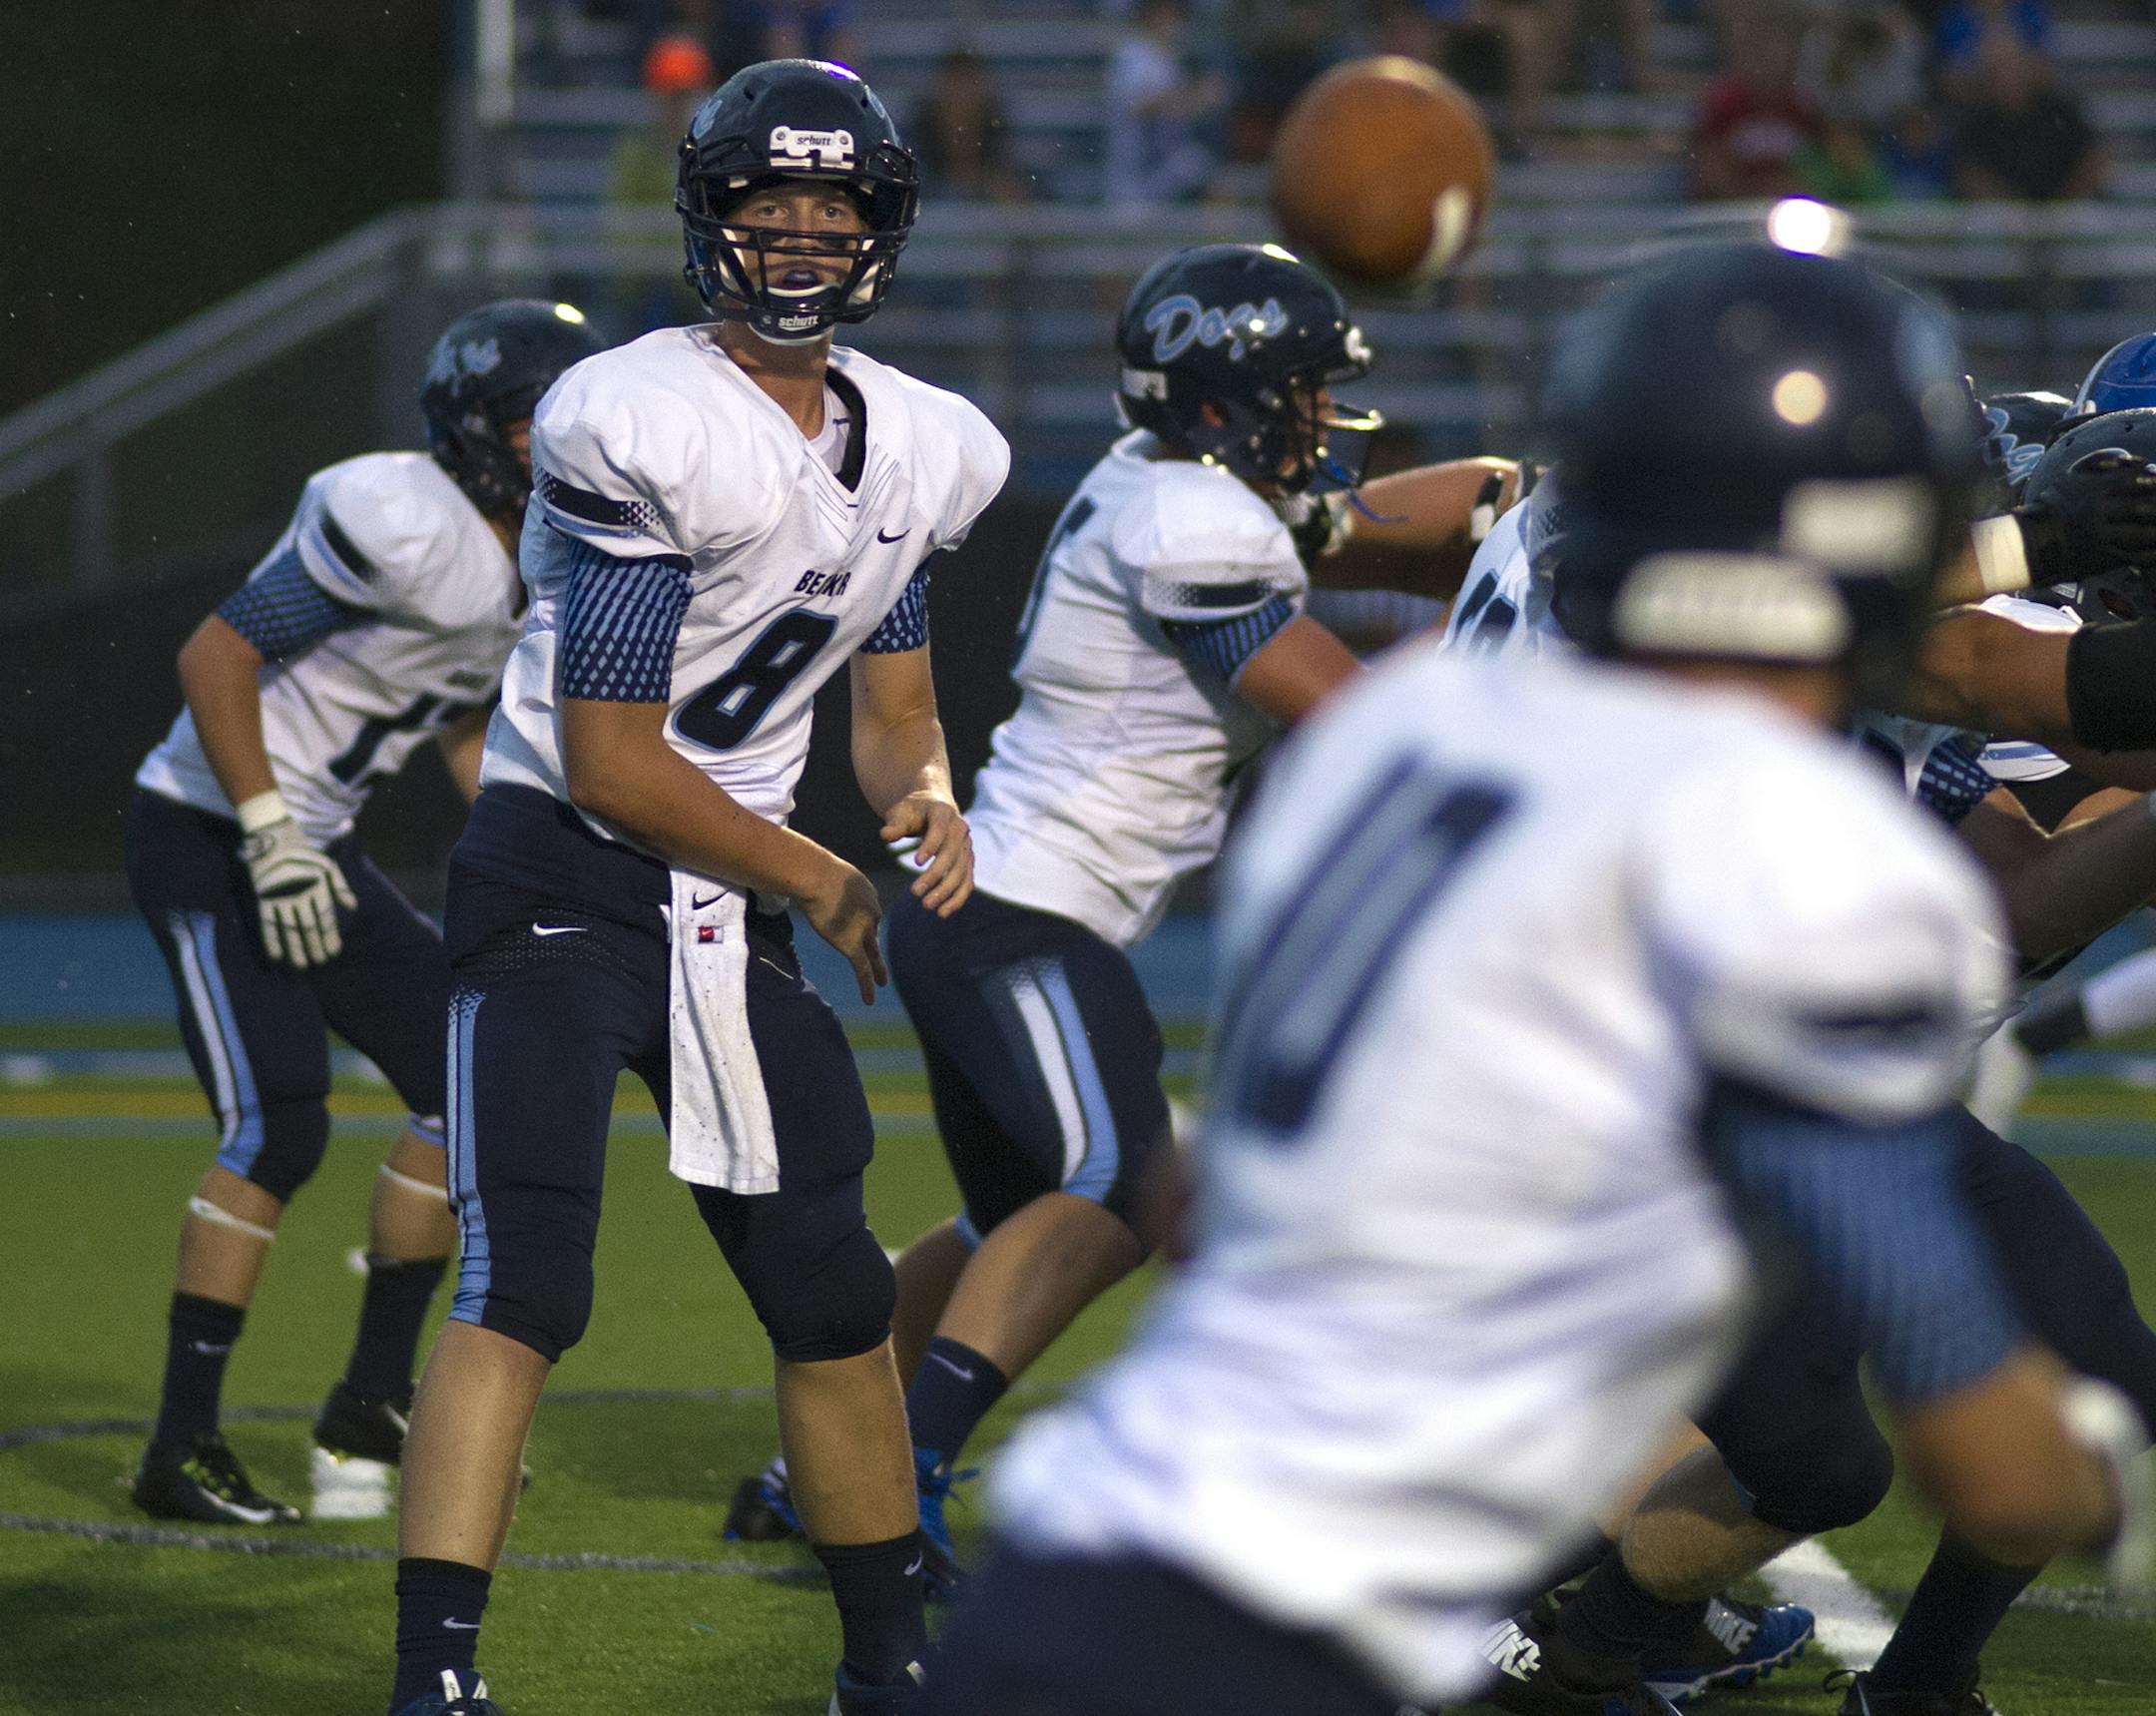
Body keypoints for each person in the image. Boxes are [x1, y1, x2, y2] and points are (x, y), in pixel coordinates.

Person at [927, 241, 2151, 1716]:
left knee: (1805, 1440)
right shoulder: (1789, 852)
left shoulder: (1401, 739)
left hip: (1111, 1526)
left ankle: (1616, 1633)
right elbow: (1987, 1426)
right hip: (1331, 1619)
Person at [725, 240, 1530, 1583]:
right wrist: (1514, 624)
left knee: (1012, 1217)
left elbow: (1380, 523)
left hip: (995, 912)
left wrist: (1524, 508)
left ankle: (815, 1465)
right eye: (1301, 393)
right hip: (1018, 916)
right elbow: (1351, 711)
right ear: (1225, 404)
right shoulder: (1190, 523)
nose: (1322, 420)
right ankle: (892, 1484)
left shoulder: (1171, 487)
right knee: (1117, 1182)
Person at [383, 60, 1008, 1716]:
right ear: (709, 220)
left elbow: (889, 708)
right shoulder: (633, 412)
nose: (798, 237)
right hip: (569, 876)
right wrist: (821, 869)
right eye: (765, 205)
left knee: (833, 1289)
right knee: (528, 1271)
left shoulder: (931, 445)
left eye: (832, 208)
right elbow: (613, 758)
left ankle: (888, 1660)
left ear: (881, 227)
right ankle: (434, 1673)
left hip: (728, 901)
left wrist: (925, 798)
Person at [1443, 366, 2156, 1716]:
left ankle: (1569, 1652)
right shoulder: (1678, 586)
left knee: (1826, 1453)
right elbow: (2013, 673)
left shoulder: (1604, 529)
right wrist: (2037, 540)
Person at [125, 299, 604, 1527]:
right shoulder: (397, 516)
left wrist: (519, 830)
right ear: (469, 429)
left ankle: (371, 1398)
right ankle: (179, 1448)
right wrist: (268, 830)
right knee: (279, 1126)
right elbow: (215, 659)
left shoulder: (545, 547)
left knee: (465, 1079)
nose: (550, 444)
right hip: (208, 829)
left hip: (314, 842)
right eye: (526, 421)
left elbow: (452, 704)